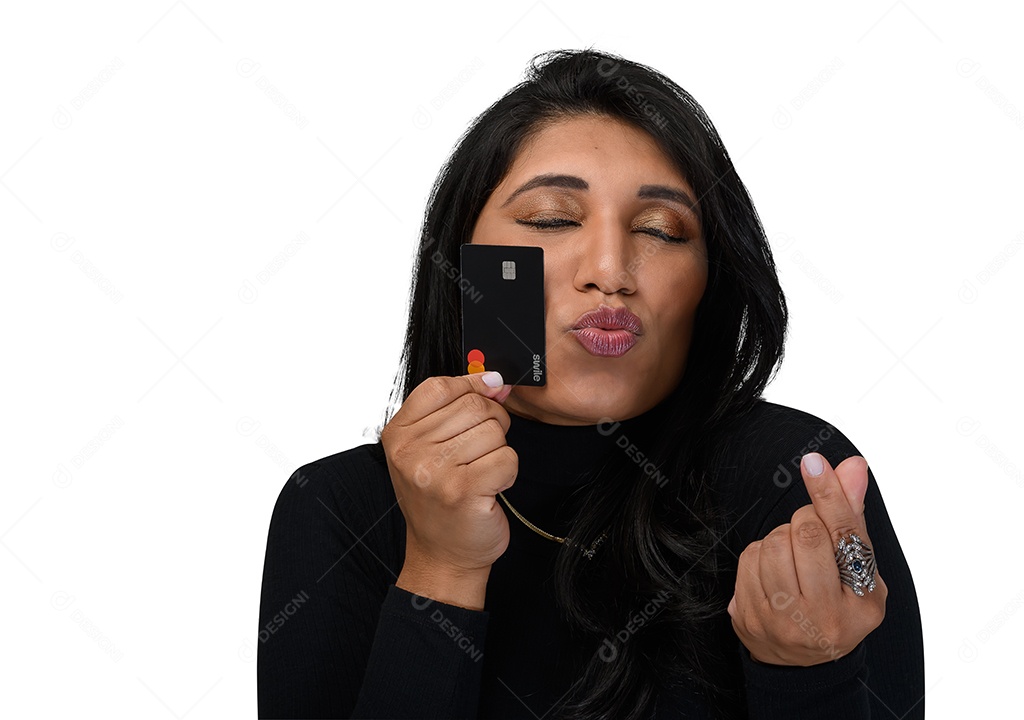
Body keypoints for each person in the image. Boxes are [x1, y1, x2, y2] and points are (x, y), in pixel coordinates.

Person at [257, 49, 924, 719]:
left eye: (660, 230)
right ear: (463, 264)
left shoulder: (790, 481)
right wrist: (441, 569)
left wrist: (810, 672)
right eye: (552, 219)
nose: (611, 270)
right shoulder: (338, 507)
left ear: (709, 283)